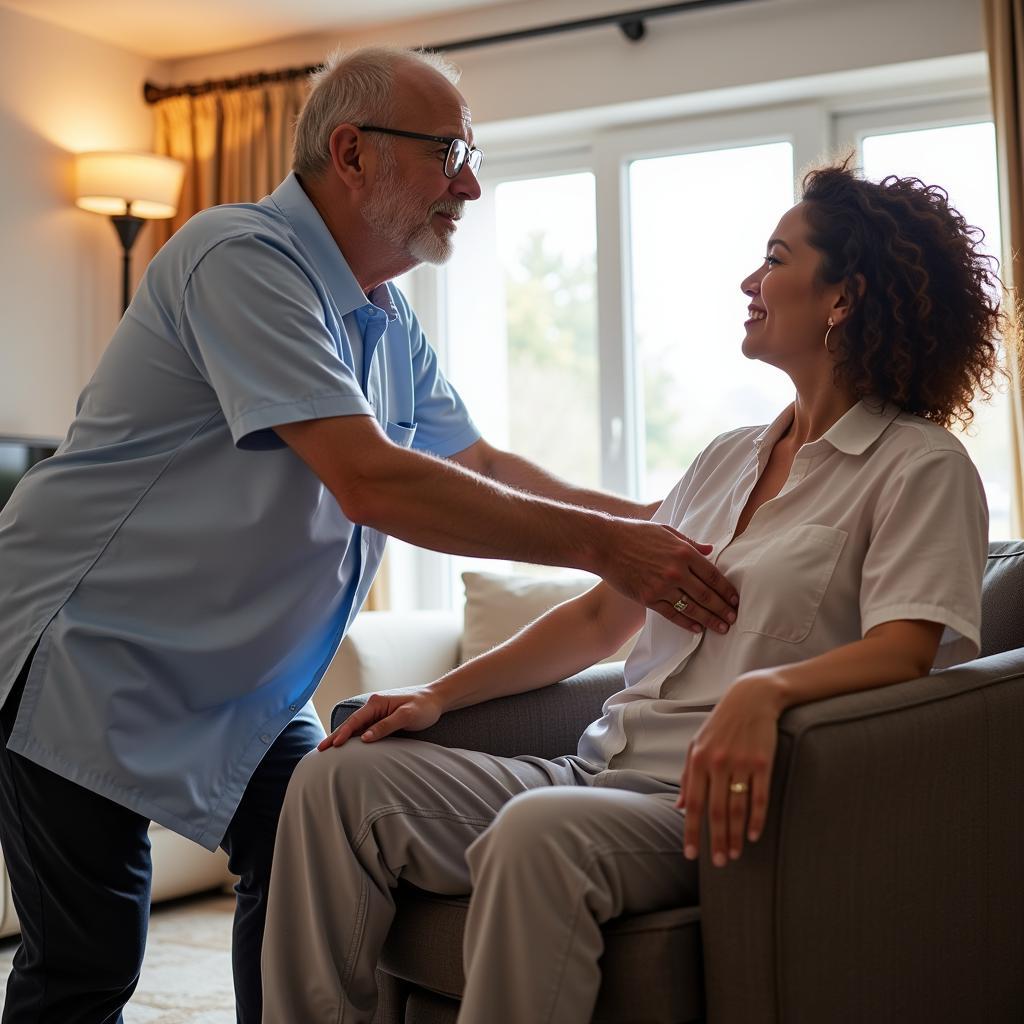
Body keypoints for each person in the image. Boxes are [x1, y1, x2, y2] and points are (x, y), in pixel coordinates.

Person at [0, 47, 741, 1024]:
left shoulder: (385, 318)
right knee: (90, 958)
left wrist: (671, 522)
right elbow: (369, 478)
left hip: (246, 685)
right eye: (447, 152)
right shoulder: (241, 258)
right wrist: (607, 550)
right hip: (90, 650)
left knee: (307, 840)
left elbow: (475, 465)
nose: (469, 183)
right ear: (350, 152)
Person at [260, 160, 1006, 1024]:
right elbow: (599, 617)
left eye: (775, 258)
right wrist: (437, 693)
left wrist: (766, 692)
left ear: (844, 298)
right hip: (594, 768)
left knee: (539, 833)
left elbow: (909, 651)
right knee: (333, 782)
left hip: (716, 810)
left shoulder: (920, 466)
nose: (749, 281)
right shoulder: (727, 456)